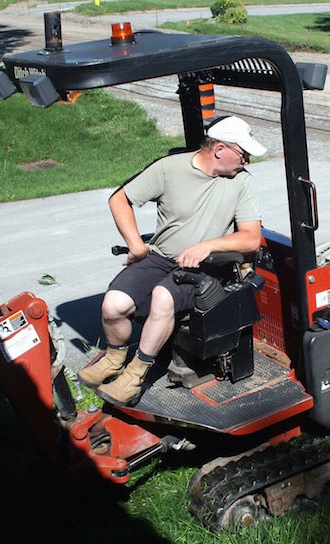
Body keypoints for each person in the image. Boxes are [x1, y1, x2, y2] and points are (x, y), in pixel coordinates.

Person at [79, 115, 266, 407]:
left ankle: (135, 374)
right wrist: (136, 246)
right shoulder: (169, 169)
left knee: (163, 297)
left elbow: (251, 238)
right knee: (113, 304)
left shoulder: (242, 183)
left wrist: (207, 246)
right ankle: (115, 358)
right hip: (162, 257)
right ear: (219, 149)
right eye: (243, 154)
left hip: (209, 267)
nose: (247, 162)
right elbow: (119, 199)